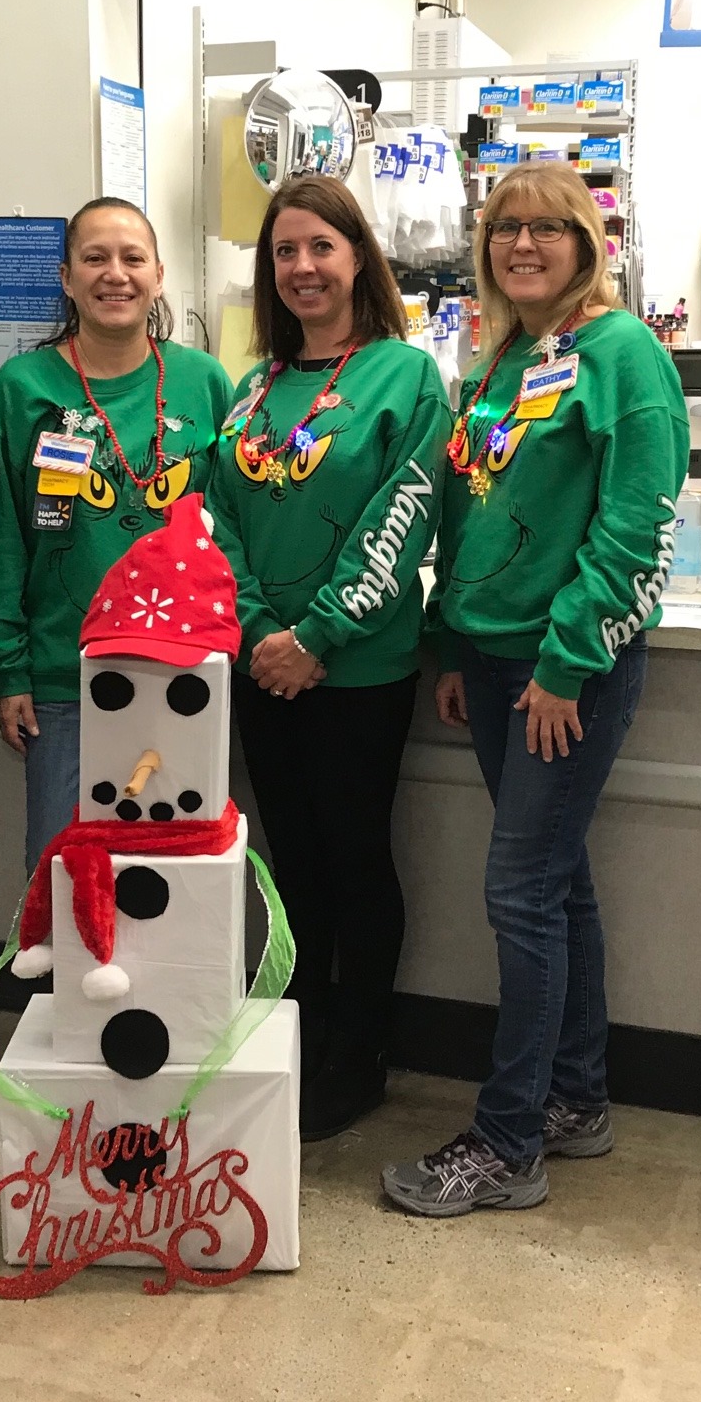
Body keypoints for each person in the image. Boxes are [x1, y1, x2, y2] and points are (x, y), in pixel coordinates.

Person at [382, 160, 689, 1217]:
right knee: (557, 887)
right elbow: (468, 510)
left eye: (546, 228)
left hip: (565, 672)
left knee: (519, 894)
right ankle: (575, 1097)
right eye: (504, 228)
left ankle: (508, 1145)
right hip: (489, 659)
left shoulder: (623, 353)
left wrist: (566, 664)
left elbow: (638, 526)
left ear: (586, 244)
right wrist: (449, 641)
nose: (521, 244)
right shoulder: (507, 356)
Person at [207, 176, 450, 1140]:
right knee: (292, 864)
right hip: (263, 667)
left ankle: (362, 1056)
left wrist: (315, 637)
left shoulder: (407, 377)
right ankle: (298, 1038)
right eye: (284, 251)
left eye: (321, 247)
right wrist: (261, 633)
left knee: (355, 860)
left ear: (358, 258)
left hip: (357, 672)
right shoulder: (253, 388)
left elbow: (404, 514)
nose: (302, 267)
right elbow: (217, 521)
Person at [0, 198, 233, 870]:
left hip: (186, 670)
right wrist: (9, 668)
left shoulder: (204, 382)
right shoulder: (22, 387)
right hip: (65, 676)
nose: (114, 274)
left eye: (132, 258)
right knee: (63, 875)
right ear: (67, 278)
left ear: (158, 275)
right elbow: (3, 535)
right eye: (95, 258)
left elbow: (229, 530)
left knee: (175, 876)